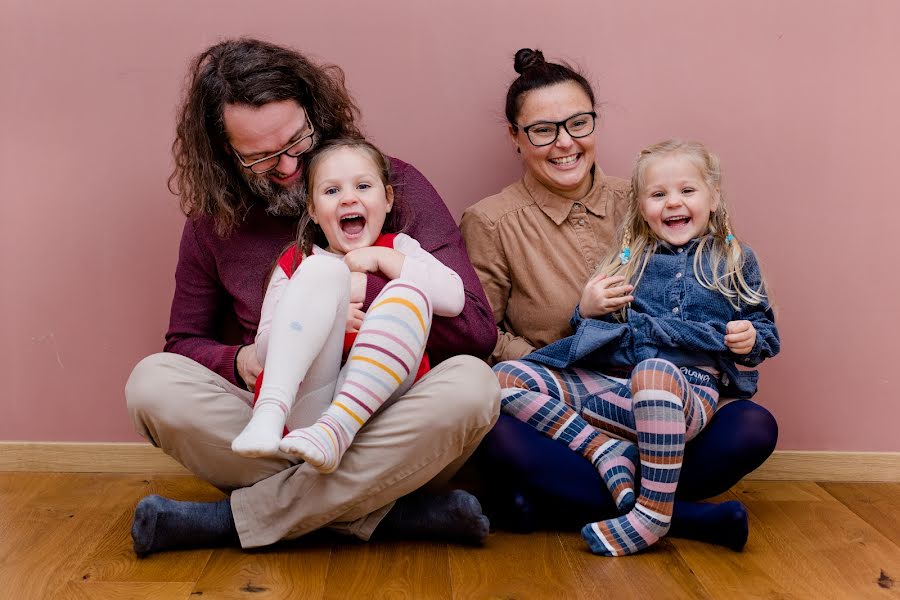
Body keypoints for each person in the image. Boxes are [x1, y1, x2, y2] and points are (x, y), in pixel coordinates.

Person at [125, 38, 499, 556]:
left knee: (474, 388)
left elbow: (479, 330)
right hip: (280, 416)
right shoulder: (212, 223)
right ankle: (381, 510)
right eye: (258, 158)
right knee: (151, 384)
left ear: (318, 115)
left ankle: (229, 523)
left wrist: (378, 293)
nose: (286, 169)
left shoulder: (389, 185)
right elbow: (183, 341)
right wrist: (247, 359)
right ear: (224, 155)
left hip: (383, 413)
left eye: (296, 143)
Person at [460, 49, 779, 550]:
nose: (565, 142)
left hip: (671, 399)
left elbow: (719, 291)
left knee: (753, 427)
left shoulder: (647, 198)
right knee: (490, 419)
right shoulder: (491, 221)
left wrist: (740, 340)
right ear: (516, 137)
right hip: (572, 410)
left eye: (578, 123)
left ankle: (561, 504)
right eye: (543, 130)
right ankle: (681, 516)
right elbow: (484, 337)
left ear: (595, 123)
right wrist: (573, 347)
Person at [232, 137, 466, 475]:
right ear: (312, 209)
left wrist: (386, 259)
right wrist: (326, 322)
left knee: (411, 293)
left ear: (387, 199)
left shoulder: (399, 247)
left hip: (386, 405)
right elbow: (266, 350)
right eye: (331, 192)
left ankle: (336, 429)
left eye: (363, 186)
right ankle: (270, 412)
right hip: (309, 405)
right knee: (321, 270)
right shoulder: (298, 263)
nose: (349, 198)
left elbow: (454, 299)